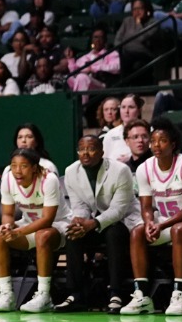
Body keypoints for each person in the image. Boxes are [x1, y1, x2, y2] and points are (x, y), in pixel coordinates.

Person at [120, 118, 182, 315]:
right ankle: (142, 296)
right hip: (164, 221)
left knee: (178, 230)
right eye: (153, 141)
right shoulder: (145, 168)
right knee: (137, 232)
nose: (156, 145)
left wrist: (161, 226)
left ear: (173, 144)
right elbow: (146, 206)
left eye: (162, 140)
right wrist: (149, 222)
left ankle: (180, 294)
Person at [54, 132, 135, 311]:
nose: (85, 153)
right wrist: (79, 221)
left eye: (91, 149)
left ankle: (115, 292)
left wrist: (92, 223)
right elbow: (80, 205)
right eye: (81, 149)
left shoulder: (120, 170)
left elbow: (118, 210)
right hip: (95, 220)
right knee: (72, 234)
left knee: (114, 233)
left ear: (101, 152)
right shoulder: (71, 171)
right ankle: (75, 294)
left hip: (124, 220)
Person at [0, 147, 62, 313]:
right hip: (28, 225)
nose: (18, 171)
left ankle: (44, 295)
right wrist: (8, 226)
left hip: (58, 225)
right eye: (14, 165)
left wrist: (19, 232)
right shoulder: (8, 179)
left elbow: (47, 220)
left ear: (34, 167)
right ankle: (6, 295)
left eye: (23, 166)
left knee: (42, 236)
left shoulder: (49, 179)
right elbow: (7, 214)